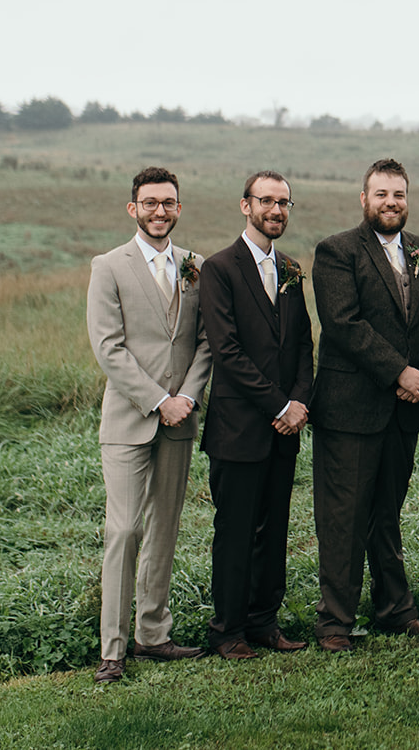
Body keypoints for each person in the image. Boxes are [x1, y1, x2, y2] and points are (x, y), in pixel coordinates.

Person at [310, 158, 419, 649]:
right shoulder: (336, 251)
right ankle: (335, 621)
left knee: (387, 512)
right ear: (364, 200)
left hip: (406, 408)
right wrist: (399, 371)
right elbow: (344, 324)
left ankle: (395, 609)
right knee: (343, 517)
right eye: (382, 195)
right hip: (350, 406)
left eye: (399, 195)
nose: (391, 203)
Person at [85, 167, 211, 683]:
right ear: (132, 208)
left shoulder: (197, 267)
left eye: (169, 203)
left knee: (165, 528)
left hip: (180, 418)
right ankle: (111, 649)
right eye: (150, 202)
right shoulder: (109, 266)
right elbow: (108, 346)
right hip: (128, 419)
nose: (160, 211)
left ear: (179, 209)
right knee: (124, 529)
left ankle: (153, 635)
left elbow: (206, 341)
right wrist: (159, 399)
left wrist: (187, 397)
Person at [197, 171, 313, 659]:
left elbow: (304, 344)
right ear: (246, 206)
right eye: (266, 201)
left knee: (275, 531)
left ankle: (265, 621)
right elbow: (227, 352)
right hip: (239, 429)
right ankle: (228, 630)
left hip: (284, 431)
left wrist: (302, 402)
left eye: (284, 203)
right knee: (236, 533)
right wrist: (279, 404)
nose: (276, 210)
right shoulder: (220, 269)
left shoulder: (290, 268)